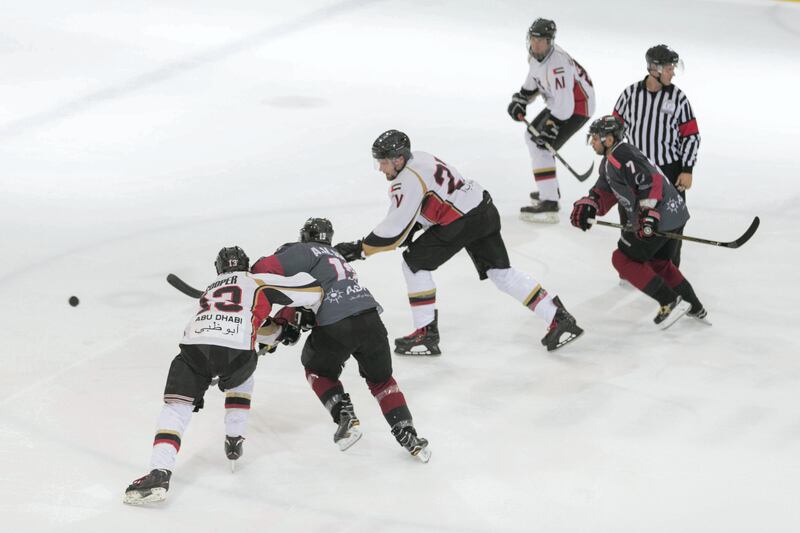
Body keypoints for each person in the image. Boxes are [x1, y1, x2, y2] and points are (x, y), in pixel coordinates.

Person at [333, 130, 584, 356]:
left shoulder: (406, 179)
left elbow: (394, 231)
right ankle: (557, 316)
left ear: (398, 159)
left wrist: (360, 249)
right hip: (484, 208)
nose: (380, 168)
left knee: (414, 263)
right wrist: (416, 226)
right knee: (501, 273)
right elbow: (434, 200)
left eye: (384, 162)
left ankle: (425, 333)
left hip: (462, 221)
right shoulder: (421, 157)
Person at [123, 246, 321, 505]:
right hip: (237, 352)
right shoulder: (257, 280)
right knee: (242, 379)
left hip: (196, 348)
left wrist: (278, 330)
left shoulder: (211, 288)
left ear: (218, 269)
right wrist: (290, 325)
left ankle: (159, 473)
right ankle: (234, 439)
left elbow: (233, 317)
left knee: (176, 409)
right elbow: (312, 290)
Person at [251, 218, 431, 462]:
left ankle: (343, 414)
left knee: (317, 369)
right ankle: (407, 432)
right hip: (370, 318)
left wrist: (242, 287)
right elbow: (312, 293)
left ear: (304, 235)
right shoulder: (335, 256)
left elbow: (263, 270)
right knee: (382, 381)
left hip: (337, 323)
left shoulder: (301, 250)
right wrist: (290, 321)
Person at [570, 115, 709, 328]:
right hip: (674, 214)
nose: (592, 143)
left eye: (596, 138)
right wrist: (591, 204)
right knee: (659, 264)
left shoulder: (622, 155)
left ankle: (669, 301)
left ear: (608, 139)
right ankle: (695, 307)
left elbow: (650, 180)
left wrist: (649, 213)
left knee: (622, 259)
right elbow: (605, 189)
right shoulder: (613, 158)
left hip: (661, 217)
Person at [612, 44, 700, 267]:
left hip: (669, 170)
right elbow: (615, 133)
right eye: (669, 68)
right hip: (637, 172)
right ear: (654, 69)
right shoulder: (630, 95)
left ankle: (669, 267)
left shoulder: (679, 99)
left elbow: (691, 136)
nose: (673, 72)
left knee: (672, 221)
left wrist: (687, 169)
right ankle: (633, 264)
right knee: (632, 218)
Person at [506, 18, 596, 223]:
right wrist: (522, 98)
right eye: (534, 39)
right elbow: (534, 80)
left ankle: (550, 202)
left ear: (550, 42)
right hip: (561, 103)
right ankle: (549, 188)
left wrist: (551, 125)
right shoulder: (535, 56)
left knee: (542, 145)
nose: (536, 44)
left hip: (577, 107)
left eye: (542, 41)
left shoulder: (558, 65)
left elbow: (566, 106)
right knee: (533, 138)